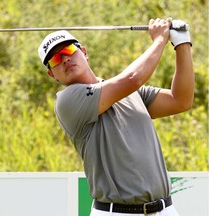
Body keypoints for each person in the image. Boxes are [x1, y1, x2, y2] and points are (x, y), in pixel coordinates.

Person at [38, 18, 193, 216]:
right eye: (55, 59)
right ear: (52, 75)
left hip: (165, 209)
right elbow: (133, 78)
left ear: (84, 52)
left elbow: (181, 100)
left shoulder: (129, 92)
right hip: (118, 212)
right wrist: (159, 40)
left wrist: (182, 44)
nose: (65, 59)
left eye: (68, 51)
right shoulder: (68, 101)